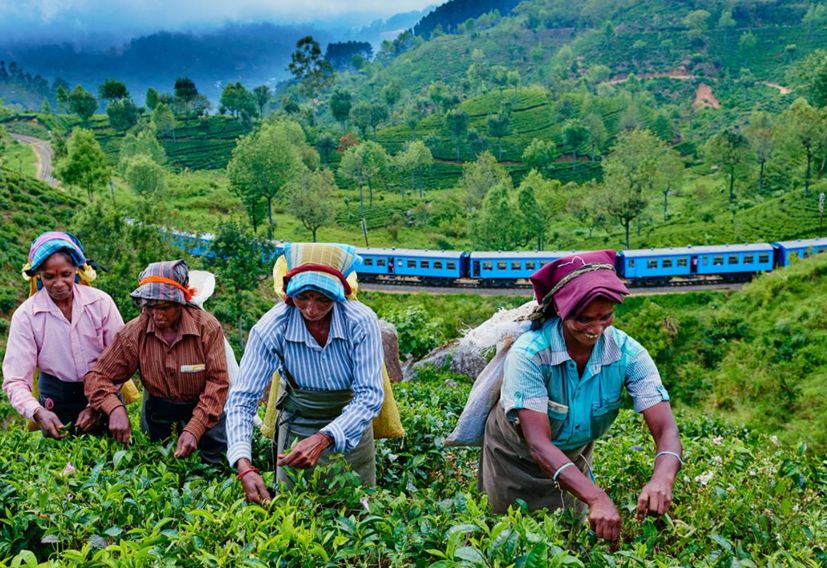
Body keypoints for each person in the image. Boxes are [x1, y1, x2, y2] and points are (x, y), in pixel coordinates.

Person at [478, 250, 682, 545]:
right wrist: (597, 496)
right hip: (514, 461)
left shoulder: (628, 354)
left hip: (573, 460)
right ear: (561, 310)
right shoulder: (531, 355)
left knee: (566, 540)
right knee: (510, 539)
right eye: (583, 318)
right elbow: (538, 444)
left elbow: (666, 430)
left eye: (605, 316)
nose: (596, 328)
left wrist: (662, 478)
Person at [226, 242, 384, 504]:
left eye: (323, 299)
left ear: (338, 295)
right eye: (303, 298)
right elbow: (242, 400)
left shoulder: (360, 321)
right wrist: (244, 466)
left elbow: (369, 396)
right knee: (297, 512)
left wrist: (324, 438)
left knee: (356, 513)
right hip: (298, 425)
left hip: (350, 430)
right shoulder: (271, 328)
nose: (311, 310)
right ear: (289, 294)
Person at [84, 260, 230, 464]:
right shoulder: (135, 332)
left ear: (181, 302)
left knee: (210, 472)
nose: (157, 316)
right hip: (158, 419)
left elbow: (218, 384)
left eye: (166, 307)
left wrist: (195, 428)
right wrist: (114, 408)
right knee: (161, 473)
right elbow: (97, 376)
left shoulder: (206, 328)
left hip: (206, 419)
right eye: (150, 307)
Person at [3, 232, 124, 438]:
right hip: (56, 404)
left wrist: (97, 405)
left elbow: (120, 360)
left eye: (66, 274)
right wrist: (39, 412)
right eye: (49, 277)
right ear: (39, 275)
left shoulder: (100, 304)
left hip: (106, 397)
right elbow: (15, 380)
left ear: (77, 270)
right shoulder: (26, 316)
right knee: (63, 466)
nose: (58, 283)